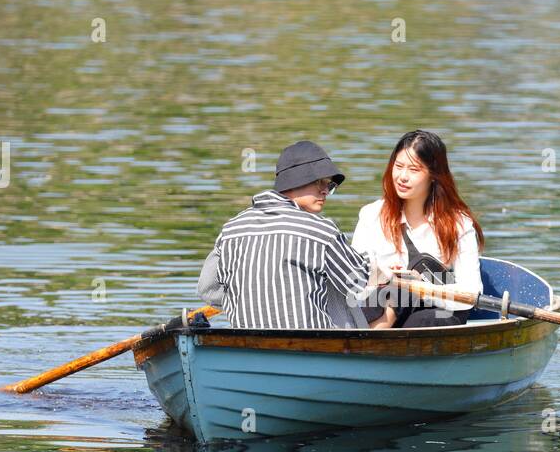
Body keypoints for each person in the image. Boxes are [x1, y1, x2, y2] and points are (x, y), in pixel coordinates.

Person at [197, 140, 390, 329]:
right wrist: (377, 267)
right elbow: (358, 283)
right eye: (318, 182)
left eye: (329, 185)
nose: (325, 191)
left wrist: (250, 298)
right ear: (296, 180)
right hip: (310, 347)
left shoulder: (231, 229)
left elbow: (207, 289)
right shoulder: (321, 231)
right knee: (337, 284)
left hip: (247, 345)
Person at [351, 130, 484, 328]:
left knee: (421, 320)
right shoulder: (372, 215)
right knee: (391, 293)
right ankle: (363, 348)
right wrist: (384, 275)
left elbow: (472, 291)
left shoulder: (458, 223)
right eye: (398, 166)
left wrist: (420, 287)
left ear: (433, 175)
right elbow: (355, 276)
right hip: (384, 302)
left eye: (413, 170)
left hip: (436, 310)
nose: (402, 177)